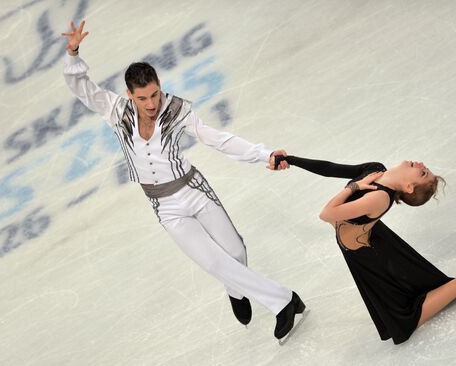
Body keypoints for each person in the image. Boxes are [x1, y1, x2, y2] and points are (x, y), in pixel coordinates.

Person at [61, 20, 305, 342]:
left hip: (194, 190)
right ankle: (284, 301)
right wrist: (74, 53)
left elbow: (219, 139)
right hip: (165, 206)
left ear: (160, 85)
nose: (151, 104)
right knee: (211, 261)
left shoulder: (177, 112)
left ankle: (236, 288)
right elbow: (83, 90)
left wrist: (265, 154)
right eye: (142, 98)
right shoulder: (116, 110)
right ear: (129, 95)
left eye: (154, 94)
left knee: (234, 254)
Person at [270, 155, 456, 344]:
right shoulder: (376, 170)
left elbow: (326, 215)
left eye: (421, 172)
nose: (419, 163)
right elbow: (332, 169)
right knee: (408, 301)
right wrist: (291, 159)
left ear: (409, 187)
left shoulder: (378, 198)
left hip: (367, 254)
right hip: (372, 242)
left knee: (402, 321)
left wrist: (354, 188)